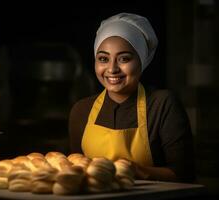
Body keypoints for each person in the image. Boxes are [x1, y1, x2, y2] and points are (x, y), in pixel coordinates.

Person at [68, 13, 196, 183]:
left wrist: (137, 170)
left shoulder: (162, 104)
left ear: (141, 61)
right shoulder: (81, 110)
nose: (112, 69)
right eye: (103, 59)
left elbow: (184, 174)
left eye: (124, 59)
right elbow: (75, 171)